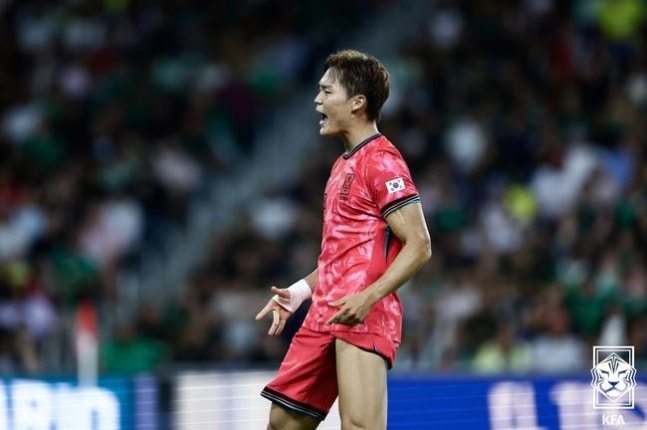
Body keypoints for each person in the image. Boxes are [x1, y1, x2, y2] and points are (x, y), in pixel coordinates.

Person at [255, 49, 432, 430]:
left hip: (363, 313)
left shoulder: (382, 161)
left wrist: (368, 297)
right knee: (282, 424)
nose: (316, 100)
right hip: (324, 311)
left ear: (357, 102)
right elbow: (345, 253)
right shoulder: (341, 165)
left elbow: (420, 244)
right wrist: (300, 292)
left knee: (359, 427)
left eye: (326, 91)